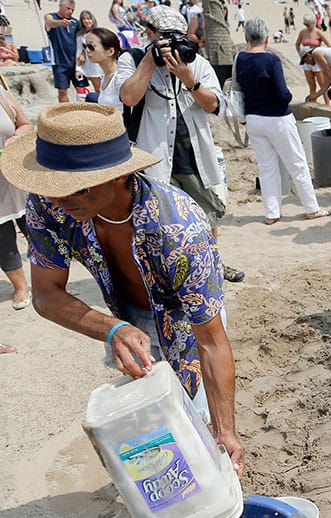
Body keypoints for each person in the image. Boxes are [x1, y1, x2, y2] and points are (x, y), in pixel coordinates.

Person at [0, 103, 245, 474]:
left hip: (185, 320)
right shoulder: (50, 206)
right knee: (153, 424)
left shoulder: (179, 230)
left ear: (117, 176)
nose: (58, 200)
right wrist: (112, 328)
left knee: (196, 434)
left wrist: (227, 430)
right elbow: (46, 295)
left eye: (75, 190)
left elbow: (210, 339)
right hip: (126, 315)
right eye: (51, 187)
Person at [118, 5, 244, 283]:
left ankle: (213, 265)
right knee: (158, 222)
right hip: (153, 158)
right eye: (165, 37)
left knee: (205, 215)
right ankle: (167, 276)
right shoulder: (134, 60)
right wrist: (149, 63)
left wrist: (189, 80)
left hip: (193, 154)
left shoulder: (196, 62)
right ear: (149, 33)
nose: (174, 44)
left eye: (178, 37)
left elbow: (214, 105)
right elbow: (128, 97)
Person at [238, 18, 327, 224]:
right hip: (277, 118)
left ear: (246, 38)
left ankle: (272, 213)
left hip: (253, 118)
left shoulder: (240, 58)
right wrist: (286, 97)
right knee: (297, 163)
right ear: (267, 38)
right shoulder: (271, 60)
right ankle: (311, 208)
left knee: (267, 167)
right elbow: (282, 94)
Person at [0, 83, 32, 311]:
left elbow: (26, 125)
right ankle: (21, 286)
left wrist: (15, 137)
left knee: (34, 227)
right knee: (2, 237)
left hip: (16, 174)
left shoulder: (1, 93)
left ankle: (52, 279)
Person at [45, 0, 80, 104]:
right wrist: (61, 23)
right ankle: (65, 114)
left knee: (82, 89)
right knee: (62, 91)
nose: (70, 12)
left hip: (75, 62)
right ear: (60, 6)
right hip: (59, 61)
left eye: (72, 10)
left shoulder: (75, 22)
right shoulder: (51, 17)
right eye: (68, 8)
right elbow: (49, 22)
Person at [85, 27, 125, 111]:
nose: (87, 50)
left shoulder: (120, 78)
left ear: (110, 51)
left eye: (91, 46)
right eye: (85, 46)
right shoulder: (105, 76)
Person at [296, 14, 331, 106]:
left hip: (317, 60)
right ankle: (313, 104)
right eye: (305, 24)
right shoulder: (303, 32)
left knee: (322, 85)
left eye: (307, 24)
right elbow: (297, 44)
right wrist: (301, 54)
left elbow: (330, 46)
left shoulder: (318, 32)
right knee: (311, 85)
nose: (306, 26)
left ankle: (327, 105)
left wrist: (324, 57)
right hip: (307, 60)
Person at [77, 11, 102, 92]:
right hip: (89, 65)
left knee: (102, 88)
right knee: (95, 89)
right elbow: (78, 50)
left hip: (100, 64)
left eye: (88, 18)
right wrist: (77, 68)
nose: (86, 21)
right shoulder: (80, 36)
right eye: (84, 19)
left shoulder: (99, 33)